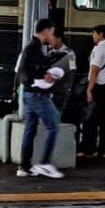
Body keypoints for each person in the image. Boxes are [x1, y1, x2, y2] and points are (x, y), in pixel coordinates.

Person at [16, 18, 63, 179]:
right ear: (46, 31)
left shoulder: (31, 47)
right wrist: (45, 75)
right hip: (37, 94)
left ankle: (24, 166)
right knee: (53, 125)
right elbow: (29, 70)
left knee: (30, 129)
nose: (52, 35)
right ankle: (44, 163)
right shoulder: (34, 48)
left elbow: (26, 69)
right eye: (51, 32)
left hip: (28, 94)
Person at [79, 24, 105, 159]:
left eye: (94, 33)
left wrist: (89, 90)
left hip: (98, 87)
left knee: (90, 120)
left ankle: (88, 150)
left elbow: (94, 71)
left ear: (101, 34)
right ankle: (104, 150)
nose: (93, 36)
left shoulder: (98, 49)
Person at [48, 31, 76, 116]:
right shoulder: (49, 54)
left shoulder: (70, 54)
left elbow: (72, 71)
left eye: (51, 39)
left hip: (62, 91)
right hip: (49, 90)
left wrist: (69, 88)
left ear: (59, 39)